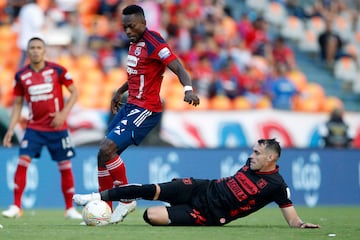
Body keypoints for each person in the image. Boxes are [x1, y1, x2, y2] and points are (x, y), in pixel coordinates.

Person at [96, 4, 200, 224]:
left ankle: (126, 199)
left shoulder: (155, 43)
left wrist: (188, 89)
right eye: (124, 27)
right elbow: (138, 73)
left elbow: (178, 67)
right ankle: (104, 212)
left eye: (131, 26)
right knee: (102, 155)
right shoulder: (134, 43)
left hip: (146, 109)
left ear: (143, 22)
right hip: (130, 105)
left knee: (107, 148)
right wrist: (120, 91)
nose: (127, 31)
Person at [74, 139, 320, 228]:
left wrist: (300, 224)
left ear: (271, 158)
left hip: (209, 213)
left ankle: (141, 206)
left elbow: (291, 217)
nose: (251, 156)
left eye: (257, 153)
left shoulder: (276, 185)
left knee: (151, 216)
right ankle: (94, 197)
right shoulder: (249, 163)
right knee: (149, 189)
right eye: (253, 152)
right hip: (203, 187)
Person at [2, 37, 82, 220]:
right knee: (22, 162)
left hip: (57, 127)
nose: (35, 51)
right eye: (32, 48)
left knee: (65, 166)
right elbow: (17, 105)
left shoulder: (57, 70)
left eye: (39, 47)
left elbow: (75, 92)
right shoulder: (21, 75)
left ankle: (70, 208)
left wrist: (63, 114)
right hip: (34, 128)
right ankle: (16, 206)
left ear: (44, 50)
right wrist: (10, 129)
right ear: (28, 51)